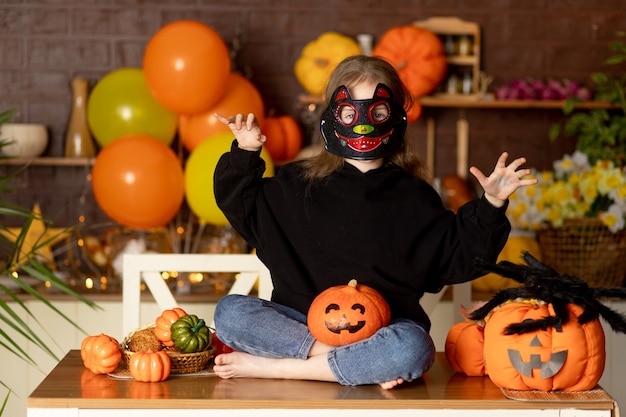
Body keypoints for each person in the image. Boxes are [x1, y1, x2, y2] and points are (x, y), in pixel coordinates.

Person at [211, 55, 537, 389]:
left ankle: (281, 368)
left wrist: (492, 203)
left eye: (377, 113)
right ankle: (348, 365)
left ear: (395, 117)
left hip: (383, 332)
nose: (363, 125)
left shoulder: (414, 197)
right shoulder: (296, 184)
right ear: (333, 116)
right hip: (301, 326)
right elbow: (242, 206)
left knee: (413, 347)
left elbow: (460, 256)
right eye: (351, 113)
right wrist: (245, 152)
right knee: (230, 313)